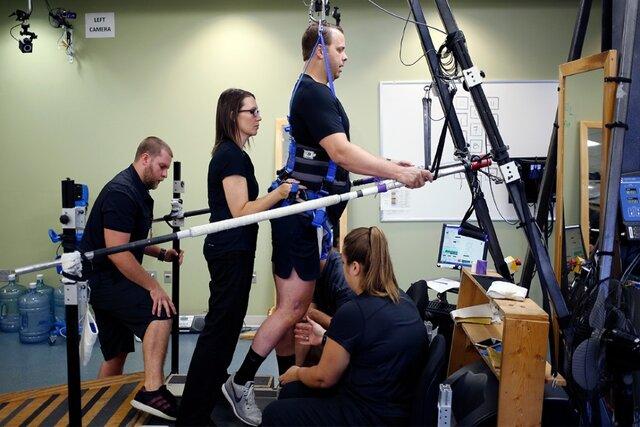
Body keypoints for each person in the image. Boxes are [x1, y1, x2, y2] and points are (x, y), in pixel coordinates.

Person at [224, 22, 432, 425]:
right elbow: (341, 153)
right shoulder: (313, 93)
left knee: (298, 308)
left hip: (312, 220)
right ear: (320, 50)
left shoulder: (319, 94)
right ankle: (241, 381)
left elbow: (341, 154)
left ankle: (287, 386)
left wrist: (389, 166)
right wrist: (397, 173)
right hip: (299, 219)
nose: (346, 56)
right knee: (291, 308)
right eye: (340, 49)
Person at [177, 89, 295, 426]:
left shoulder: (236, 155)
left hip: (234, 250)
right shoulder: (230, 156)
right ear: (233, 115)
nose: (258, 117)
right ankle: (192, 415)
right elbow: (241, 211)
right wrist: (280, 193)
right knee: (219, 332)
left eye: (258, 111)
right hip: (228, 252)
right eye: (252, 111)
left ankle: (212, 394)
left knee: (227, 330)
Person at [262, 226, 429, 426]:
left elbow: (323, 378)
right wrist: (325, 338)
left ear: (355, 267)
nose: (341, 267)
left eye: (343, 263)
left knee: (273, 413)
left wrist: (297, 371)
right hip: (394, 403)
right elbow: (370, 346)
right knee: (292, 391)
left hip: (369, 414)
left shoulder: (354, 311)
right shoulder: (402, 298)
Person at [80, 136, 184, 421]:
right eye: (162, 167)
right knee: (161, 312)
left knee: (116, 354)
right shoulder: (122, 193)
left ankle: (95, 412)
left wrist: (161, 253)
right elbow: (118, 253)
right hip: (104, 279)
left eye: (167, 169)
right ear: (145, 158)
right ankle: (152, 391)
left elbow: (130, 240)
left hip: (107, 279)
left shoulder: (136, 190)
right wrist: (154, 287)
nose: (165, 174)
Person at [295, 249, 355, 366]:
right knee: (302, 326)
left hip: (344, 337)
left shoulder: (341, 280)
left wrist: (313, 314)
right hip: (328, 330)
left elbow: (347, 329)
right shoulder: (312, 270)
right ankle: (295, 371)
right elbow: (308, 311)